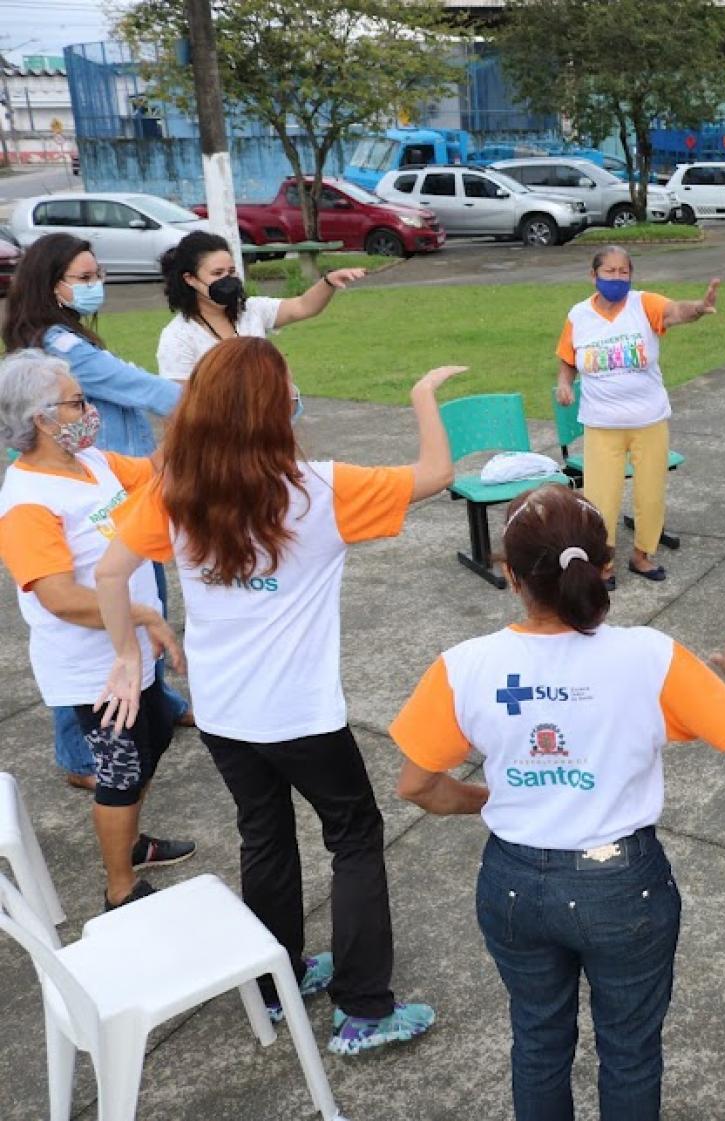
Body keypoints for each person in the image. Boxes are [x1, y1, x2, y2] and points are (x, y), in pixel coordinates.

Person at [94, 337, 465, 1055]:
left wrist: (122, 655)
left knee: (263, 835)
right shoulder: (320, 489)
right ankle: (363, 1007)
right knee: (354, 835)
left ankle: (276, 977)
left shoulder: (174, 491)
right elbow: (437, 472)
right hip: (301, 715)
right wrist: (423, 396)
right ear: (275, 411)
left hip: (225, 713)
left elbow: (112, 574)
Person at [389, 484, 725, 1121]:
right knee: (631, 1051)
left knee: (537, 1041)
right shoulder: (650, 656)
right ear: (607, 567)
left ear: (509, 575)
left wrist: (495, 801)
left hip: (512, 882)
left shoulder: (464, 666)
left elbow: (417, 785)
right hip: (624, 888)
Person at [0, 349, 195, 909]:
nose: (89, 410)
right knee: (121, 772)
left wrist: (197, 413)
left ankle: (132, 841)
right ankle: (120, 889)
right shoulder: (28, 502)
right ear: (41, 418)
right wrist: (141, 613)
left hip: (132, 654)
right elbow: (59, 597)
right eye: (77, 401)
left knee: (154, 737)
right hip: (94, 672)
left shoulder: (92, 465)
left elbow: (158, 470)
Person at [3, 232, 187, 791]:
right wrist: (216, 405)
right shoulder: (61, 350)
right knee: (118, 777)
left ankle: (154, 708)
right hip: (88, 653)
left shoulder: (92, 455)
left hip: (110, 489)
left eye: (96, 274)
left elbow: (152, 459)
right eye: (83, 278)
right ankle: (89, 772)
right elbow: (146, 390)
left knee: (132, 609)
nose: (96, 285)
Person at [555, 247, 720, 588]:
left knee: (650, 493)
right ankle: (603, 561)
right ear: (594, 275)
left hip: (649, 420)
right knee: (601, 498)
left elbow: (675, 311)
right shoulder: (579, 315)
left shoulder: (644, 304)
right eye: (610, 271)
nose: (617, 278)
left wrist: (699, 309)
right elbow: (568, 358)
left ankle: (643, 555)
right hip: (602, 424)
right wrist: (564, 384)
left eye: (623, 272)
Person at [155, 230, 366, 381]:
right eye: (217, 274)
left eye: (231, 272)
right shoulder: (178, 337)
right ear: (190, 279)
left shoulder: (251, 311)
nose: (227, 279)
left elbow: (303, 306)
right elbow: (180, 406)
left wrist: (328, 282)